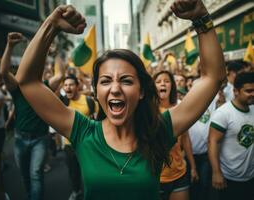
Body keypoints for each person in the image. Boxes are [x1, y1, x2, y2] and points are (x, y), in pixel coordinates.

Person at [15, 0, 225, 199]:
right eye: (105, 81)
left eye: (125, 81)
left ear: (141, 91)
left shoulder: (160, 130)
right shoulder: (83, 132)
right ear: (96, 92)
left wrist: (201, 18)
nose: (115, 88)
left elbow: (213, 78)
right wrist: (51, 25)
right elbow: (27, 82)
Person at [0, 32, 65, 200]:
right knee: (25, 176)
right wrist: (10, 46)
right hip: (20, 139)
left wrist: (56, 53)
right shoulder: (17, 87)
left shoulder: (45, 86)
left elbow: (60, 75)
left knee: (36, 173)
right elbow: (4, 72)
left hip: (40, 139)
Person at [208, 71, 254, 200]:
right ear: (236, 91)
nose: (253, 94)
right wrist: (216, 172)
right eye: (249, 91)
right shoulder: (223, 113)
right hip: (230, 177)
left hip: (250, 176)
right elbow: (213, 142)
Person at [154, 70, 198, 200]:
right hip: (156, 177)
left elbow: (186, 139)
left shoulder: (179, 109)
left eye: (167, 81)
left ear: (172, 86)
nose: (163, 84)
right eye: (158, 81)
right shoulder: (147, 111)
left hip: (179, 174)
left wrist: (193, 167)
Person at [61, 74, 97, 200]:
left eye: (70, 84)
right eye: (65, 85)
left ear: (77, 86)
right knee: (73, 172)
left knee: (90, 173)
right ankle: (76, 191)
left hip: (87, 144)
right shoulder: (63, 101)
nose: (67, 87)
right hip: (69, 144)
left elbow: (98, 119)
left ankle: (92, 193)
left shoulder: (88, 101)